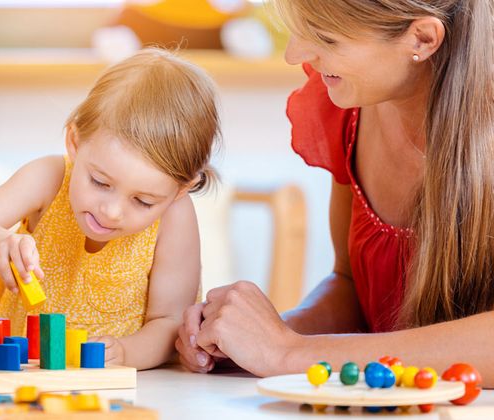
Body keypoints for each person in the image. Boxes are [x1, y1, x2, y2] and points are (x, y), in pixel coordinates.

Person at [176, 0, 494, 385]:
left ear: (423, 39)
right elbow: (350, 287)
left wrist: (288, 353)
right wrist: (254, 341)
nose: (295, 55)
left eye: (325, 38)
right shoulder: (352, 109)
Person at [0, 48, 221, 370]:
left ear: (180, 189)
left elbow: (170, 320)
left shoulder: (175, 216)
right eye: (100, 182)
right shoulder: (50, 178)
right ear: (75, 142)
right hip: (17, 375)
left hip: (119, 390)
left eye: (143, 201)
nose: (113, 211)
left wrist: (127, 353)